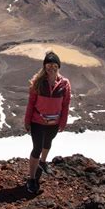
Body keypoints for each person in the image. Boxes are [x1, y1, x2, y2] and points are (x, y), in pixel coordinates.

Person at [23, 51, 71, 194]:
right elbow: (31, 103)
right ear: (44, 66)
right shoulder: (37, 82)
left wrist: (63, 122)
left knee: (47, 143)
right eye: (48, 65)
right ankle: (32, 178)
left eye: (54, 65)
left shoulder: (64, 84)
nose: (51, 67)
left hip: (54, 123)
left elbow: (66, 104)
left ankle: (43, 163)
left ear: (58, 66)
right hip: (37, 122)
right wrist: (27, 121)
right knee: (37, 148)